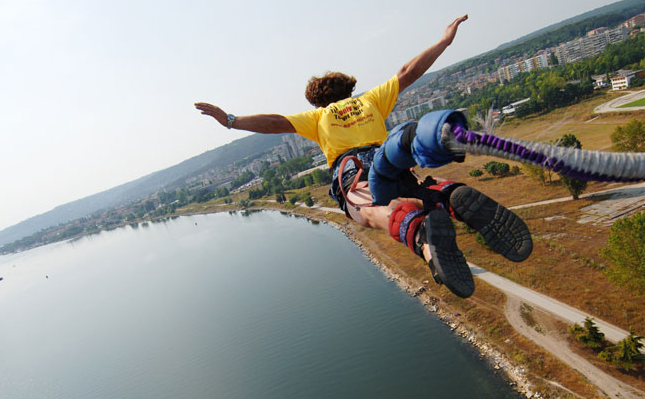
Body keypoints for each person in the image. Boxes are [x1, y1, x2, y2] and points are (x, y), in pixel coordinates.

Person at [195, 15, 531, 298]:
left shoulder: (317, 118)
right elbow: (409, 72)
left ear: (317, 102)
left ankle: (422, 238)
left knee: (370, 213)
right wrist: (445, 41)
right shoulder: (370, 100)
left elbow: (275, 123)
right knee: (416, 192)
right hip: (387, 157)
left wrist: (231, 121)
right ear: (349, 90)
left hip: (353, 167)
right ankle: (447, 196)